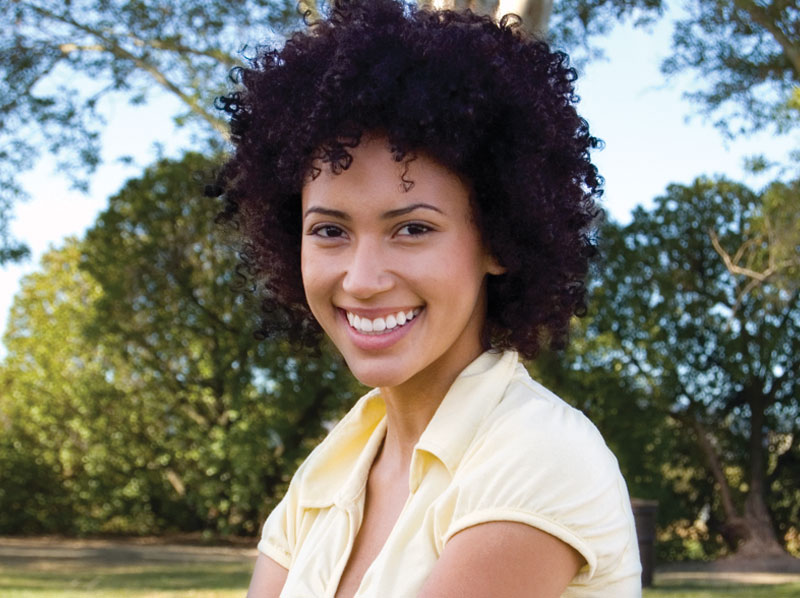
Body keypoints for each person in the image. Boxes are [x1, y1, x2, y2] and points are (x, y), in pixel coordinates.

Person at [215, 0, 642, 596]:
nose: (362, 279)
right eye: (330, 230)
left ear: (497, 240)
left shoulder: (541, 455)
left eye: (412, 228)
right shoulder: (335, 466)